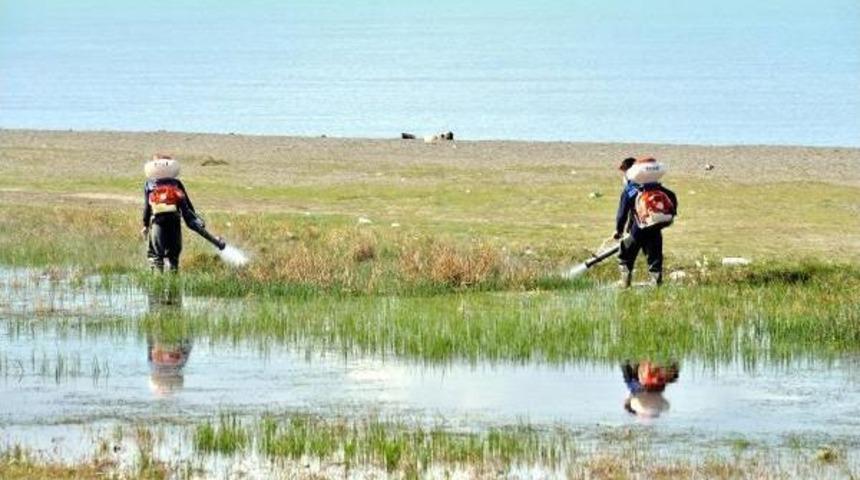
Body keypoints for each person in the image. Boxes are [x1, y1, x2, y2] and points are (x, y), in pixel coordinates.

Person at [141, 154, 220, 272]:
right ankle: (174, 286)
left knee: (157, 257)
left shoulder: (149, 184)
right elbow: (187, 204)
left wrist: (145, 225)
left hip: (157, 221)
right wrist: (195, 219)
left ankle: (158, 286)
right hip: (174, 220)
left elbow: (147, 207)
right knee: (173, 258)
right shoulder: (176, 183)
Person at [613, 157, 678, 287]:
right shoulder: (661, 189)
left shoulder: (630, 191)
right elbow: (673, 203)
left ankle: (624, 283)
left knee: (626, 255)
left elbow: (622, 214)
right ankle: (656, 283)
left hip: (638, 230)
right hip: (655, 229)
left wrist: (618, 231)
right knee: (655, 257)